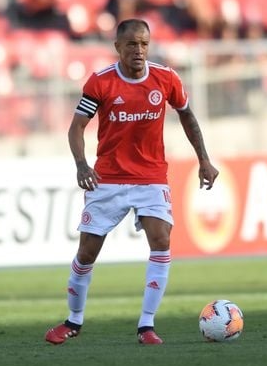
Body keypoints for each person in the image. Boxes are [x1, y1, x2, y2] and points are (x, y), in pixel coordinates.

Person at [45, 19, 218, 346]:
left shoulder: (166, 79)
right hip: (107, 179)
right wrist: (82, 164)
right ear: (118, 48)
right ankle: (73, 320)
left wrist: (204, 159)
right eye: (131, 45)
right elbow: (76, 127)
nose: (138, 51)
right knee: (86, 253)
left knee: (161, 239)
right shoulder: (100, 82)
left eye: (143, 44)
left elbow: (188, 116)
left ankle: (146, 326)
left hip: (150, 177)